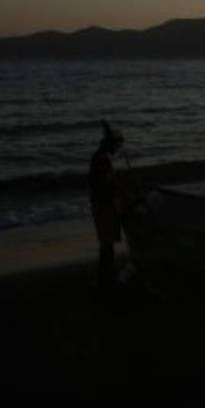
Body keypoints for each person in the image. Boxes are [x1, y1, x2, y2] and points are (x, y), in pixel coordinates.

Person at [90, 121, 125, 289]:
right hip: (102, 205)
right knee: (107, 243)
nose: (118, 148)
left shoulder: (101, 158)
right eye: (117, 144)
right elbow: (105, 185)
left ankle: (106, 277)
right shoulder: (101, 160)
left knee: (107, 243)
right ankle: (105, 278)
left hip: (102, 204)